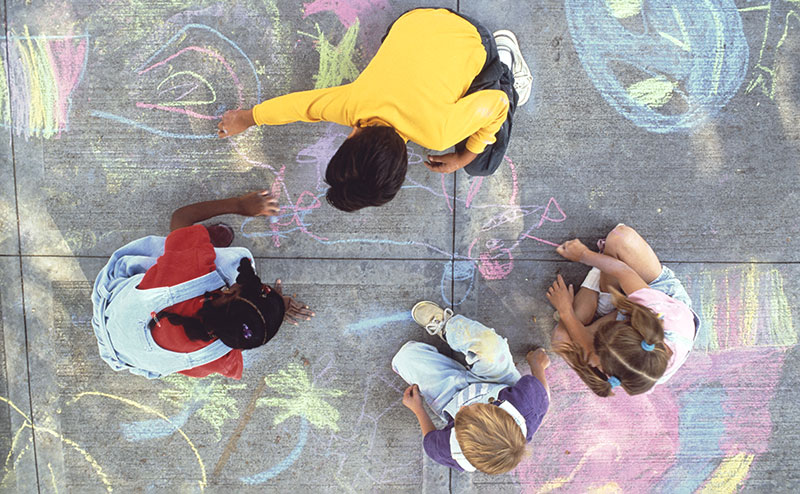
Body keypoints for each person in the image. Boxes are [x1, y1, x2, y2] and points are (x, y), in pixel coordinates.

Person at [217, 8, 533, 212]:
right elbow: (300, 106)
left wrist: (466, 155)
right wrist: (246, 118)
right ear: (352, 135)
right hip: (416, 20)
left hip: (472, 37)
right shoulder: (352, 105)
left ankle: (504, 62)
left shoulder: (438, 131)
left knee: (483, 162)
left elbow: (498, 106)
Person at [91, 191, 314, 379]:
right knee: (207, 265)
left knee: (236, 262)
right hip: (123, 354)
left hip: (112, 310)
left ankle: (195, 241)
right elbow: (245, 335)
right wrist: (270, 315)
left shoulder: (186, 275)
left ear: (229, 294)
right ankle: (192, 242)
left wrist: (238, 205)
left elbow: (182, 217)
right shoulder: (220, 357)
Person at [392, 302, 550, 474]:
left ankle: (438, 360)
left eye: (462, 417)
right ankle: (447, 327)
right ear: (499, 409)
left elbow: (430, 439)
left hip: (450, 397)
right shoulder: (526, 407)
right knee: (491, 346)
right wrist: (538, 365)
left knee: (404, 358)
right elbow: (543, 395)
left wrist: (418, 409)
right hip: (497, 381)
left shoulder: (456, 452)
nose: (464, 407)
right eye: (475, 409)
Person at [547, 224, 700, 396]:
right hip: (659, 295)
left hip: (630, 324)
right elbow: (623, 272)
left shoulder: (629, 372)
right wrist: (583, 254)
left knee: (561, 340)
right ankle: (603, 284)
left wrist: (566, 311)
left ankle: (602, 288)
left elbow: (588, 351)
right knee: (620, 237)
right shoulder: (658, 311)